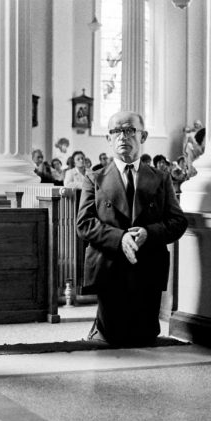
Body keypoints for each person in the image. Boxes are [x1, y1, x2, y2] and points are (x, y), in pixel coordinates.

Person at [77, 111, 188, 346]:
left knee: (145, 337)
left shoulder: (160, 178)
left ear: (143, 135)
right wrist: (120, 239)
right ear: (108, 139)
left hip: (147, 265)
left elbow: (178, 222)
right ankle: (99, 328)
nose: (122, 137)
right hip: (109, 267)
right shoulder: (95, 178)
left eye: (129, 130)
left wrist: (149, 233)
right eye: (116, 132)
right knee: (112, 339)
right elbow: (84, 223)